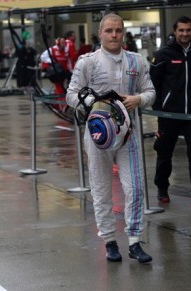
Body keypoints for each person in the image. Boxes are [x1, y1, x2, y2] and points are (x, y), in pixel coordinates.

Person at [66, 13, 155, 264]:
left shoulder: (136, 61)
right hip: (97, 136)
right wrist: (90, 104)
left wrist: (139, 99)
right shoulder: (87, 62)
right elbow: (71, 94)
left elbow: (150, 91)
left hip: (127, 134)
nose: (114, 35)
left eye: (118, 30)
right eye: (109, 31)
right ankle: (109, 241)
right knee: (102, 190)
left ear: (123, 33)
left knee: (135, 187)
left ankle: (135, 241)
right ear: (100, 33)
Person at [149, 16, 191, 207]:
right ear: (175, 31)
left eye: (188, 30)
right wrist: (158, 110)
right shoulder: (163, 54)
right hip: (169, 113)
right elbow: (154, 84)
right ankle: (162, 188)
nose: (185, 34)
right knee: (164, 151)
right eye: (181, 30)